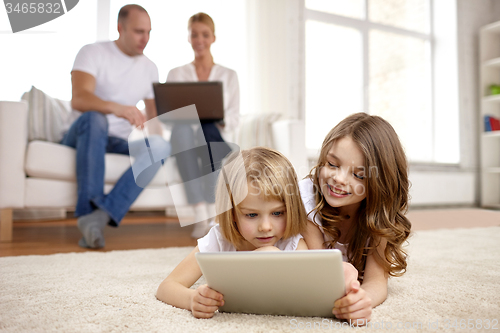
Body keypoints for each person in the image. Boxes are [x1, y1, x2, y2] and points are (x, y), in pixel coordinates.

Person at [61, 4, 170, 249]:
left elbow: (153, 118)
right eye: (139, 31)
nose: (145, 38)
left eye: (149, 32)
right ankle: (88, 212)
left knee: (161, 146)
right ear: (120, 28)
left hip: (120, 141)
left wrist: (159, 152)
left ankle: (97, 218)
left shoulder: (149, 67)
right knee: (95, 118)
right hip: (84, 133)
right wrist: (117, 107)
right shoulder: (92, 53)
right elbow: (79, 98)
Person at [156, 147, 308, 318]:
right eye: (251, 215)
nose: (265, 227)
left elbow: (312, 292)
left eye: (277, 213)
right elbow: (167, 287)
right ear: (232, 213)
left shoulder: (293, 244)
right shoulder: (219, 239)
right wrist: (192, 299)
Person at [299, 112, 411, 325]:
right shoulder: (308, 201)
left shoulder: (380, 216)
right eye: (332, 164)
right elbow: (321, 277)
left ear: (381, 183)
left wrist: (361, 300)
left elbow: (376, 281)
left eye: (359, 175)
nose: (339, 179)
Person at [166, 12, 240, 239]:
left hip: (215, 134)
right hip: (184, 135)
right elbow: (168, 116)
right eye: (194, 34)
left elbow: (235, 117)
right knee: (183, 129)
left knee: (207, 129)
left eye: (205, 35)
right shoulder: (176, 74)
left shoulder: (228, 75)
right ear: (188, 38)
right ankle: (200, 210)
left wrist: (217, 118)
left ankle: (210, 210)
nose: (200, 40)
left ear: (213, 38)